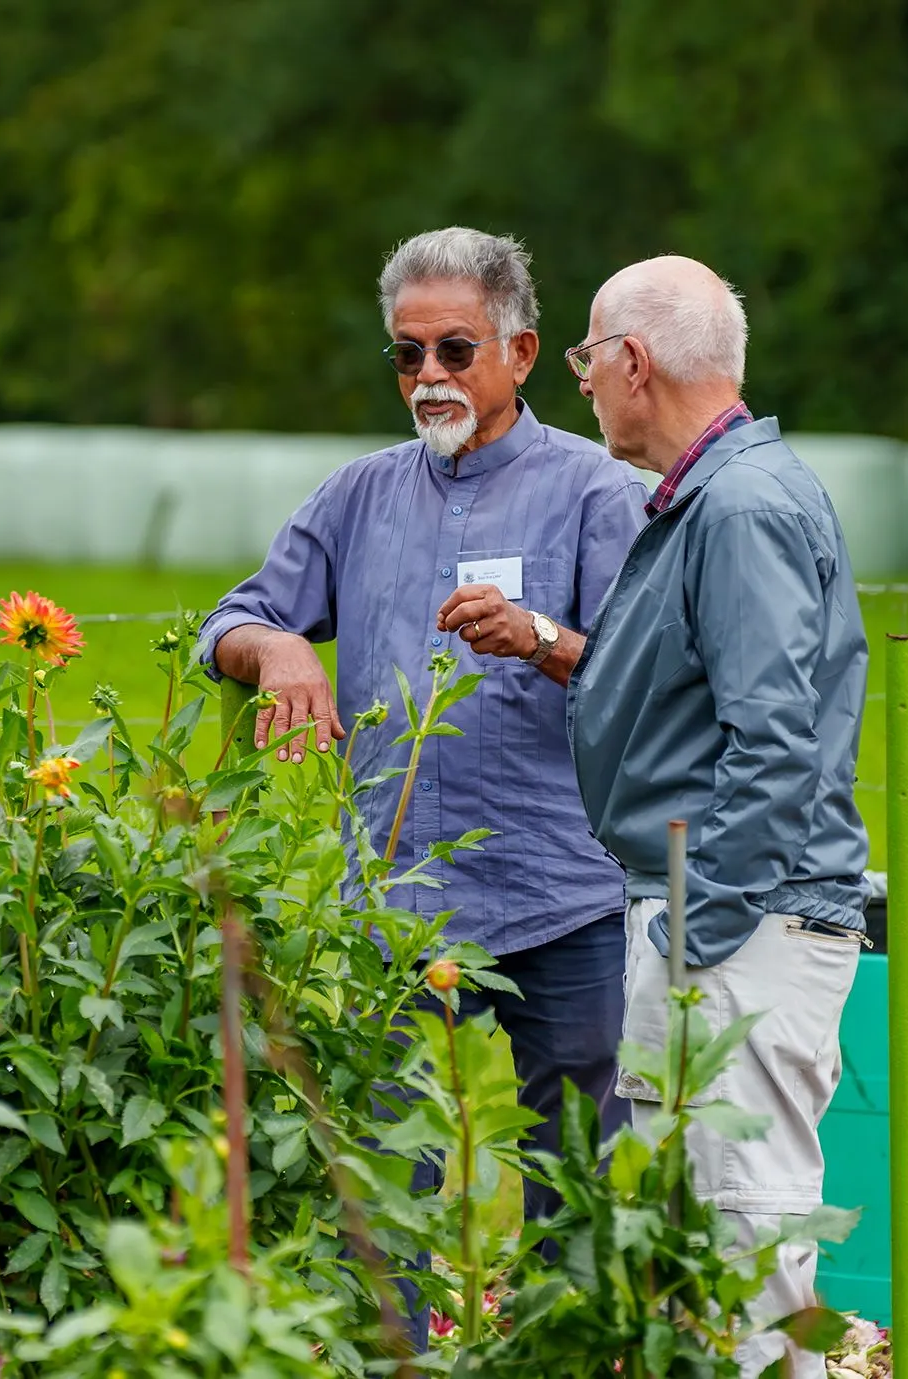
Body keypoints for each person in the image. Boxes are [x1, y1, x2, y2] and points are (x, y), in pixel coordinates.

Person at [197, 227, 645, 1303]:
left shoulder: (598, 491)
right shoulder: (357, 494)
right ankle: (392, 1351)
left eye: (455, 350)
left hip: (565, 891)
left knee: (578, 1180)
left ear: (524, 351)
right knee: (382, 1178)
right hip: (396, 900)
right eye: (408, 356)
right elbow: (233, 620)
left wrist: (541, 637)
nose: (429, 377)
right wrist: (284, 645)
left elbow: (647, 675)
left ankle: (561, 1354)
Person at [496, 253, 865, 1377]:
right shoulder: (721, 494)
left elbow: (775, 740)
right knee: (702, 1245)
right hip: (722, 910)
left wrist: (692, 927)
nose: (583, 385)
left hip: (736, 925)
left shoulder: (740, 506)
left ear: (635, 363)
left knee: (741, 1232)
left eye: (586, 358)